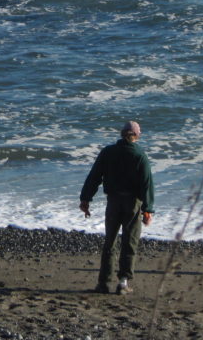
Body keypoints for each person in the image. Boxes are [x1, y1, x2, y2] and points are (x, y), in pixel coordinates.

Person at [79, 120, 155, 294]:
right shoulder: (140, 155)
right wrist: (148, 209)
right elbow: (147, 184)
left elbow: (94, 177)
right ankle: (123, 283)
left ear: (121, 134)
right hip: (132, 204)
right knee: (130, 242)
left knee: (110, 242)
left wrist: (85, 199)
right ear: (137, 135)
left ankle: (103, 283)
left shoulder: (108, 152)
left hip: (113, 201)